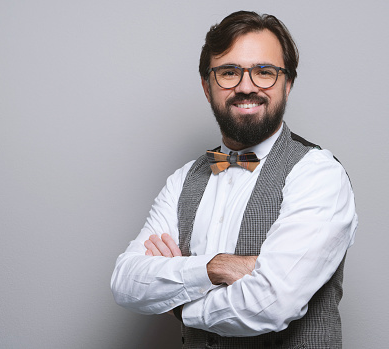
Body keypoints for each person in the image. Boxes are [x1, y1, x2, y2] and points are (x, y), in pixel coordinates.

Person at [111, 10, 357, 349]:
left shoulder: (318, 174)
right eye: (228, 72)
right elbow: (126, 283)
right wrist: (214, 268)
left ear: (288, 83)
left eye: (264, 72)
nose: (246, 87)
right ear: (206, 85)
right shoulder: (183, 180)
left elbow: (271, 304)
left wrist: (178, 303)